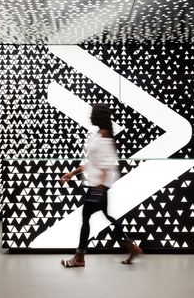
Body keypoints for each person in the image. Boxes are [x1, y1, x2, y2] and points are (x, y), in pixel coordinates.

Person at [60, 104, 143, 267]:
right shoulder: (100, 134)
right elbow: (92, 163)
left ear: (98, 116)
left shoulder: (104, 136)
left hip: (97, 187)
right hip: (97, 186)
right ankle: (131, 245)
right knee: (106, 216)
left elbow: (105, 165)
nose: (90, 116)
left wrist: (98, 189)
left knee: (86, 218)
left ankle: (79, 257)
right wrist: (72, 173)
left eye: (92, 113)